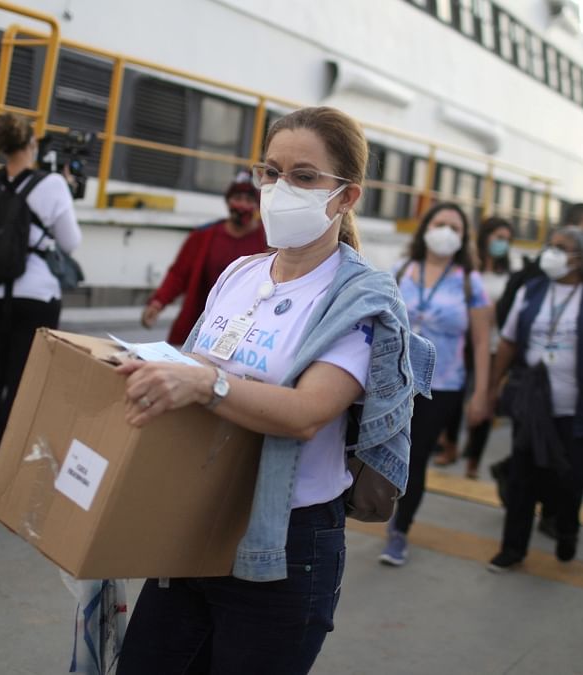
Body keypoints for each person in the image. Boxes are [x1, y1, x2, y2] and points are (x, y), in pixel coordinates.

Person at [112, 106, 432, 675]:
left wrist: (206, 383)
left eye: (304, 177)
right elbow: (188, 363)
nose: (281, 189)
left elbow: (309, 413)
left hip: (286, 545)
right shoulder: (240, 276)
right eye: (272, 172)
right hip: (196, 517)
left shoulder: (359, 298)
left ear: (346, 197)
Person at [486, 226, 583, 570]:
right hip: (532, 404)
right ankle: (512, 548)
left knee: (571, 477)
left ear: (581, 258)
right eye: (551, 245)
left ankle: (567, 530)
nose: (552, 252)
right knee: (522, 476)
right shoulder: (532, 291)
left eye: (561, 248)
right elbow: (510, 341)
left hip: (578, 407)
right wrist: (490, 389)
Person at [0, 113, 80, 493]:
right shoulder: (51, 185)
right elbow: (70, 242)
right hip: (34, 295)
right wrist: (63, 188)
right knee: (21, 382)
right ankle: (7, 466)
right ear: (31, 145)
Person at [379, 202, 492, 566]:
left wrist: (481, 393)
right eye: (440, 223)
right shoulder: (402, 269)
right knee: (379, 449)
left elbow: (480, 341)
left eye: (455, 228)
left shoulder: (470, 282)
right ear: (426, 228)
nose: (446, 232)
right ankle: (372, 506)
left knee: (416, 457)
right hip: (393, 378)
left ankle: (400, 530)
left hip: (441, 385)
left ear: (463, 239)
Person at [141, 172, 268, 345]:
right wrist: (157, 303)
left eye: (249, 200)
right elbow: (179, 274)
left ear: (257, 204)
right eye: (237, 198)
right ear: (228, 201)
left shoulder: (268, 241)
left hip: (243, 333)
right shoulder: (203, 236)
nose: (243, 205)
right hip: (197, 326)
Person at [461, 217, 520, 479]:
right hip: (465, 342)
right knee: (459, 394)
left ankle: (473, 459)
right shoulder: (468, 269)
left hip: (494, 344)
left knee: (485, 396)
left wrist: (491, 312)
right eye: (498, 237)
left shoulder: (510, 274)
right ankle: (451, 442)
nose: (502, 244)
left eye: (507, 239)